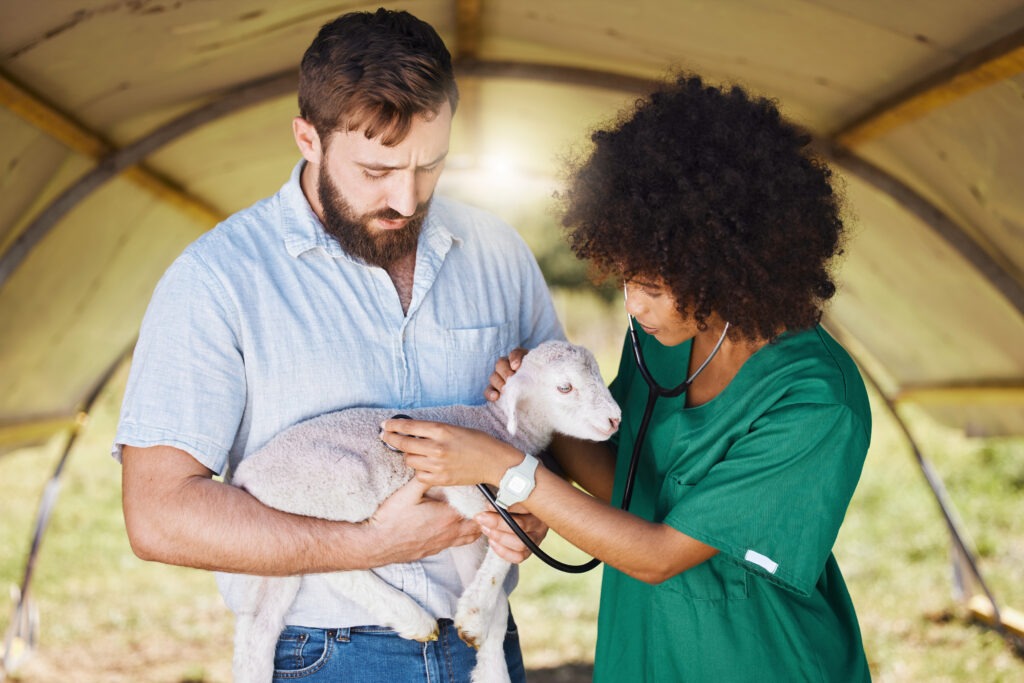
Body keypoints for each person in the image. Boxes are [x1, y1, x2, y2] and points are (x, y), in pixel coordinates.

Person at [114, 8, 561, 682]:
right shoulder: (217, 279)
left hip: (487, 646)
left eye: (429, 165)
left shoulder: (499, 252)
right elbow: (159, 513)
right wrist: (365, 545)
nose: (406, 199)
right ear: (307, 137)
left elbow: (557, 424)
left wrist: (537, 506)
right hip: (325, 653)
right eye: (377, 170)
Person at [382, 74, 873, 681]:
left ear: (725, 265)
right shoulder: (662, 340)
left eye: (652, 287)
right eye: (625, 277)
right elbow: (629, 482)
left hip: (756, 659)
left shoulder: (814, 400)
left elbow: (661, 554)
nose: (633, 307)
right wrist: (544, 414)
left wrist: (502, 467)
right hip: (641, 650)